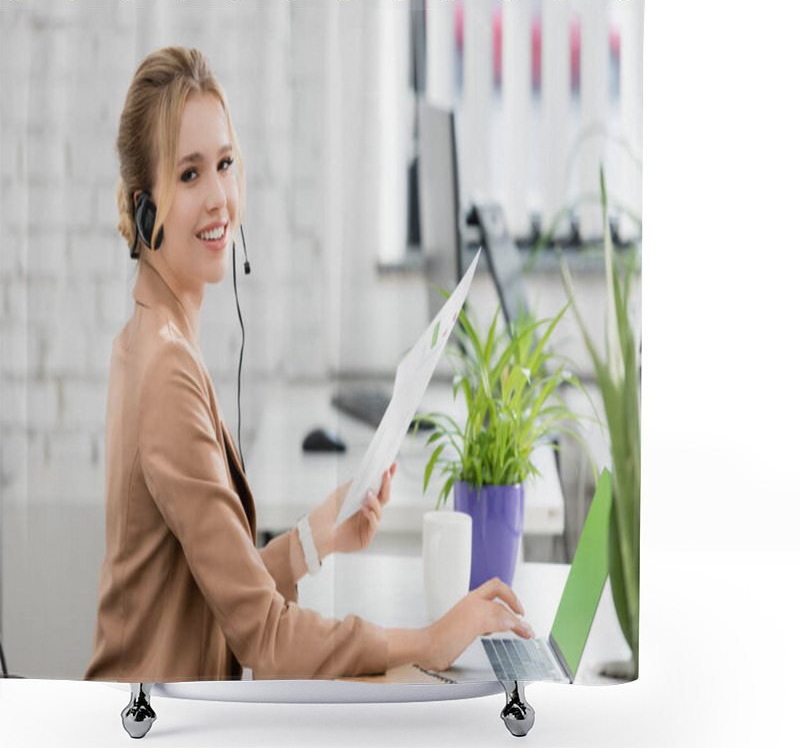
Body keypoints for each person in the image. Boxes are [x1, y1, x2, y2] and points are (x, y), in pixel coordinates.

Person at [85, 46, 532, 683]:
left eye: (225, 164)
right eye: (188, 175)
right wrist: (430, 641)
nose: (219, 198)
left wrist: (314, 540)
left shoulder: (150, 339)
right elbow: (265, 638)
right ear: (145, 206)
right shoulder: (166, 371)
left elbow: (216, 596)